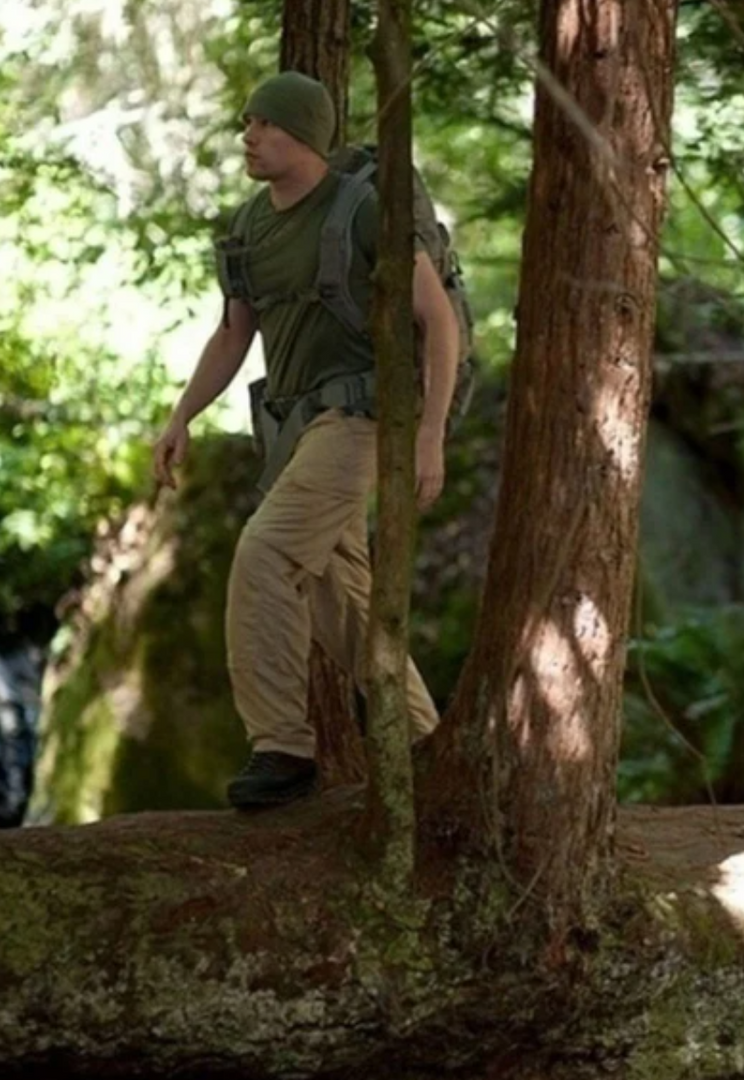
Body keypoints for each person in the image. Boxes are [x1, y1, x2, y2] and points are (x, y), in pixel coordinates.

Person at [152, 71, 460, 810]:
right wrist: (181, 416)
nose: (250, 136)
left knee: (265, 554)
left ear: (308, 137)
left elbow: (438, 320)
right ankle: (429, 751)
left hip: (361, 419)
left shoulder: (362, 212)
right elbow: (234, 335)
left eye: (269, 125)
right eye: (249, 122)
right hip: (296, 428)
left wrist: (429, 435)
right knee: (344, 602)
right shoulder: (249, 225)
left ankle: (282, 748)